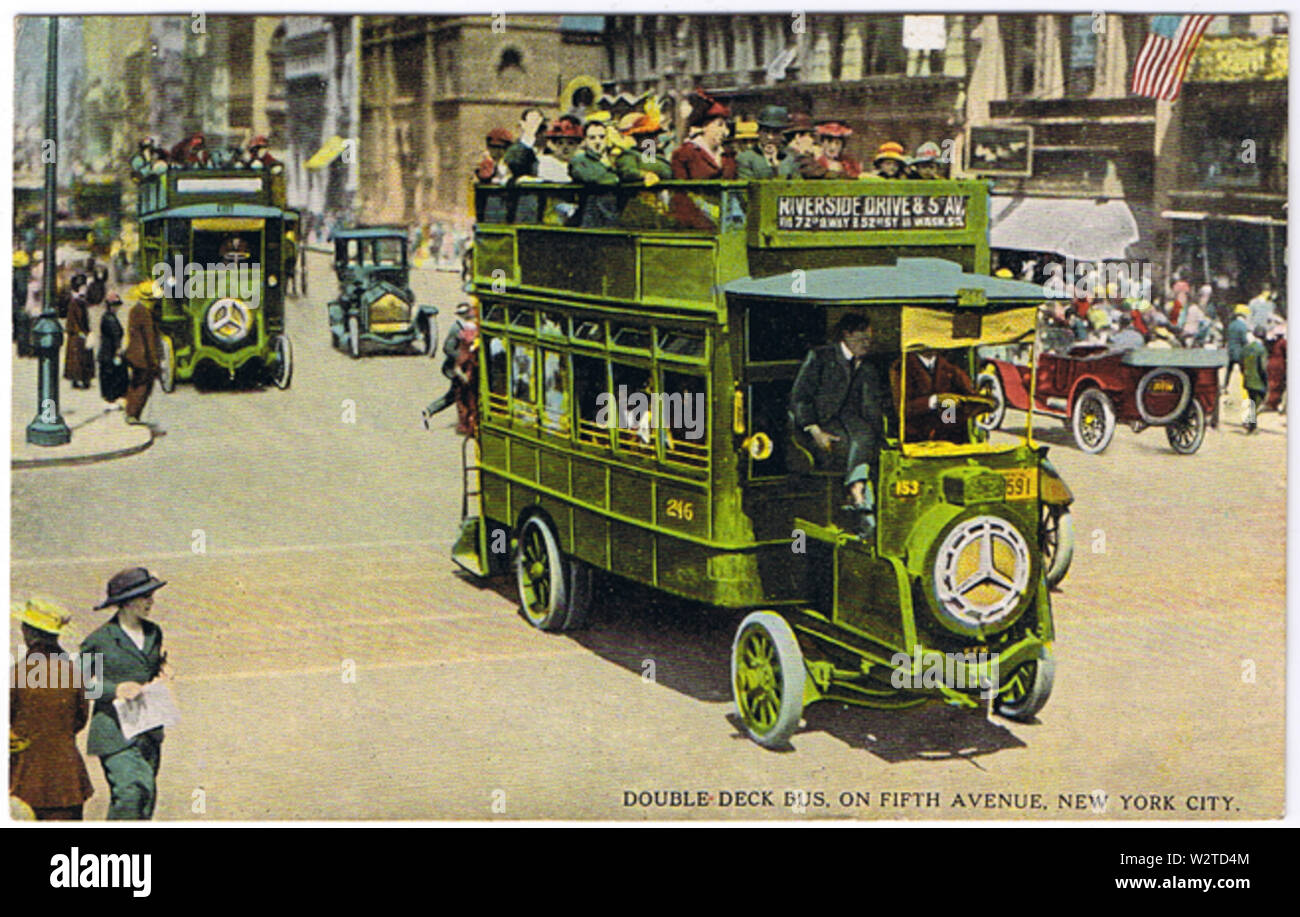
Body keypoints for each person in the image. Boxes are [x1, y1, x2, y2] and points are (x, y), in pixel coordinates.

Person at [80, 568, 173, 820]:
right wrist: (115, 690)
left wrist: (163, 674)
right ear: (126, 602)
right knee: (130, 793)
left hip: (148, 730)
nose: (151, 602)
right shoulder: (100, 640)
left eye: (151, 595)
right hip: (114, 732)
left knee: (145, 798)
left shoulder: (154, 633)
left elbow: (152, 669)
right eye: (145, 596)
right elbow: (78, 683)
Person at [789, 314, 885, 521]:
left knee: (868, 439)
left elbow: (872, 409)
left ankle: (858, 493)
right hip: (820, 427)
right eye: (862, 339)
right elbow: (800, 398)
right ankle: (858, 497)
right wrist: (815, 431)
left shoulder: (867, 368)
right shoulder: (821, 357)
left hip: (854, 425)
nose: (867, 344)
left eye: (869, 340)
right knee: (853, 444)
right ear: (847, 335)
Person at [10, 598, 95, 820]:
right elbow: (80, 719)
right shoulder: (73, 673)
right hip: (67, 779)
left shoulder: (17, 674)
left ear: (28, 632)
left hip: (22, 778)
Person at [890, 348, 983, 444]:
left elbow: (969, 393)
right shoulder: (901, 367)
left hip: (949, 439)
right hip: (916, 439)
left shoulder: (949, 365)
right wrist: (935, 400)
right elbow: (903, 408)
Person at [424, 301, 474, 426]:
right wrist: (463, 357)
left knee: (457, 394)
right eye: (464, 314)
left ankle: (429, 410)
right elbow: (447, 348)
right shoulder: (456, 328)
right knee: (456, 394)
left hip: (464, 367)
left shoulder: (468, 326)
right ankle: (429, 410)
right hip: (455, 368)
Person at [122, 281, 161, 427]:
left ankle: (130, 411)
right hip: (143, 358)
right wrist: (154, 361)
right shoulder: (146, 314)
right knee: (143, 386)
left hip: (134, 354)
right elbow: (149, 339)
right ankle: (133, 414)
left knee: (135, 383)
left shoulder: (135, 310)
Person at [613, 110, 672, 184]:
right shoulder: (630, 155)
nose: (655, 141)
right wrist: (644, 175)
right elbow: (627, 172)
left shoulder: (659, 156)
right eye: (650, 136)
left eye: (655, 136)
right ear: (639, 138)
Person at [736, 106, 787, 179]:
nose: (770, 137)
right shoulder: (746, 158)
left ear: (781, 135)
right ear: (759, 133)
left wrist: (776, 166)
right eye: (766, 132)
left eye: (775, 132)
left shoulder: (789, 158)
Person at [63, 274, 94, 389]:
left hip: (81, 332)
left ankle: (81, 378)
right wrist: (79, 331)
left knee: (82, 356)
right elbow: (73, 319)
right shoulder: (75, 302)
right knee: (79, 357)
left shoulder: (80, 300)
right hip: (77, 333)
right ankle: (78, 378)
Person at [98, 291, 128, 404]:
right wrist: (118, 349)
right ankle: (111, 398)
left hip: (107, 351)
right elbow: (115, 334)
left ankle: (112, 397)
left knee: (111, 375)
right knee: (112, 375)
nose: (117, 308)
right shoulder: (109, 319)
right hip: (109, 352)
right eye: (115, 306)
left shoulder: (109, 317)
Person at [778, 113, 826, 180]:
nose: (812, 140)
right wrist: (818, 157)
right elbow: (819, 173)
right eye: (809, 136)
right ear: (798, 137)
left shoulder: (784, 155)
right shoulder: (796, 159)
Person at [503, 107, 546, 181]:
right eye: (533, 121)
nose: (537, 126)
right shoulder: (513, 150)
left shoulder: (546, 150)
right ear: (522, 124)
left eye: (540, 122)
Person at [536, 117, 582, 182]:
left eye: (570, 143)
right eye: (560, 143)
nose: (565, 147)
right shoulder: (546, 162)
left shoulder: (579, 164)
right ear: (554, 145)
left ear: (577, 146)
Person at [1241, 326, 1269, 432]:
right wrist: (1265, 380)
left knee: (1252, 402)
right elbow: (1263, 367)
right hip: (1258, 381)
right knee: (1260, 402)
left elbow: (1241, 363)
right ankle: (1249, 422)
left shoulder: (1246, 348)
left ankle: (1252, 426)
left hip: (1248, 379)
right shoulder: (1261, 349)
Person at [1225, 304, 1252, 390]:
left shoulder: (1231, 324)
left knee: (1229, 371)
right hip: (1239, 352)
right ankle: (1247, 385)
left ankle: (1225, 385)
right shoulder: (1242, 326)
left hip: (1231, 351)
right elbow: (1244, 340)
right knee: (1243, 370)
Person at [1264, 318, 1287, 412]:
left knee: (1271, 382)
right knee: (1277, 383)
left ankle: (1271, 401)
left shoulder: (1270, 342)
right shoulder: (1282, 342)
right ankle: (1272, 402)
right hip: (1279, 363)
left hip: (1270, 362)